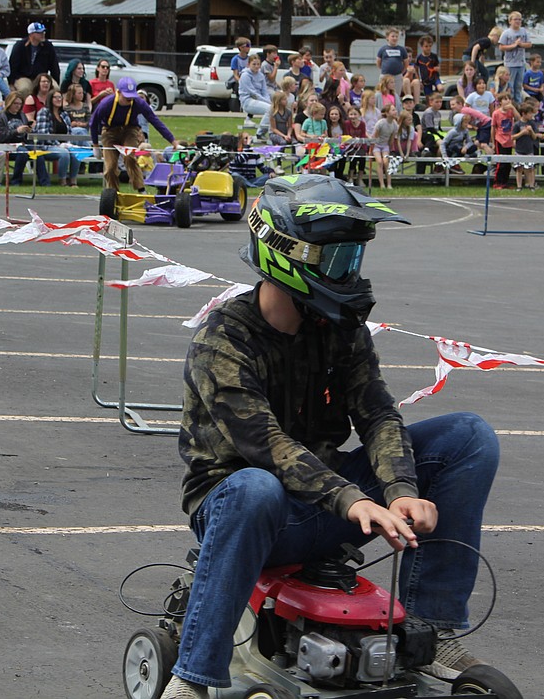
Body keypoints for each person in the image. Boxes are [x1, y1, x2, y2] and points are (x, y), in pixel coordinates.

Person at [160, 174, 500, 699]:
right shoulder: (224, 337)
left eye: (353, 259)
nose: (350, 274)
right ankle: (192, 679)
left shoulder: (340, 330)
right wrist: (354, 498)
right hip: (245, 510)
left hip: (328, 503)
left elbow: (379, 414)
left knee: (468, 437)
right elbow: (265, 446)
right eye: (337, 260)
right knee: (256, 486)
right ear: (285, 254)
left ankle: (433, 634)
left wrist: (401, 490)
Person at [90, 77, 180, 191]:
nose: (129, 99)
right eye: (126, 96)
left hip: (130, 130)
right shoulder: (106, 103)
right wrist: (95, 145)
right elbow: (93, 123)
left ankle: (140, 189)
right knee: (111, 166)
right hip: (110, 132)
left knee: (129, 157)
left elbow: (155, 121)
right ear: (118, 92)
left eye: (131, 96)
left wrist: (173, 141)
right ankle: (112, 193)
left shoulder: (138, 103)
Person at [33, 88, 80, 186]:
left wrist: (68, 144)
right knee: (64, 154)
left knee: (77, 153)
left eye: (60, 97)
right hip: (47, 146)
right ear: (50, 99)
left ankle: (73, 181)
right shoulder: (44, 112)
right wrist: (58, 145)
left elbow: (69, 133)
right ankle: (62, 180)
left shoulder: (64, 114)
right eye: (56, 97)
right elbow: (43, 134)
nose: (59, 99)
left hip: (64, 145)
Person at [0, 92, 34, 185]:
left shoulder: (22, 115)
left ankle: (45, 182)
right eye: (15, 103)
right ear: (9, 103)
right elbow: (0, 137)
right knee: (23, 153)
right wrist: (16, 131)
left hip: (22, 144)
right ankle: (16, 181)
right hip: (6, 146)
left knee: (37, 152)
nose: (18, 106)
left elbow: (26, 135)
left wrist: (28, 131)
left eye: (20, 104)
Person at [8, 22, 60, 93]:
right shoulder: (20, 46)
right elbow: (12, 65)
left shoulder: (48, 46)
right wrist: (11, 82)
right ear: (31, 34)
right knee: (25, 88)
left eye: (43, 32)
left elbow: (54, 66)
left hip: (41, 76)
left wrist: (56, 81)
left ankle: (47, 104)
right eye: (39, 33)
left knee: (55, 88)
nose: (43, 34)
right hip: (23, 76)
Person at [498, 12, 532, 105]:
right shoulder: (506, 33)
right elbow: (501, 47)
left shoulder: (524, 31)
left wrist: (521, 44)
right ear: (510, 21)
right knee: (510, 86)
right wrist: (513, 45)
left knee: (518, 86)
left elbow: (529, 44)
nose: (518, 21)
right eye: (515, 19)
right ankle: (509, 103)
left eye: (519, 19)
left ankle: (518, 104)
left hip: (521, 63)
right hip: (510, 64)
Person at [238, 54, 272, 136]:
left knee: (273, 108)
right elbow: (253, 93)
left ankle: (264, 132)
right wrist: (268, 103)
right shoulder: (245, 75)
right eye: (254, 64)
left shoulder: (261, 75)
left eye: (258, 64)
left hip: (259, 99)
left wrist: (268, 100)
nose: (256, 66)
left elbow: (264, 91)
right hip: (248, 101)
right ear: (248, 64)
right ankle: (259, 133)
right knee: (270, 109)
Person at [491, 92, 517, 188]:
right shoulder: (496, 113)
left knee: (507, 164)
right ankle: (497, 182)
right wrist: (493, 142)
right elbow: (493, 128)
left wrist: (513, 108)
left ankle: (505, 182)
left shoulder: (511, 112)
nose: (507, 101)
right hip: (500, 140)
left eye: (509, 99)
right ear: (500, 102)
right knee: (501, 163)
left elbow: (518, 118)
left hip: (509, 140)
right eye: (505, 99)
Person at [371, 103, 400, 190]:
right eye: (393, 110)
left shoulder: (394, 124)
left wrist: (390, 149)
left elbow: (391, 138)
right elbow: (374, 136)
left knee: (386, 162)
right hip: (377, 145)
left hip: (385, 146)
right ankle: (382, 184)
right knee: (379, 162)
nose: (395, 112)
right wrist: (371, 149)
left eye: (395, 110)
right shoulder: (381, 123)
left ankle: (389, 184)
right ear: (387, 113)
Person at [513, 102, 541, 190]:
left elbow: (534, 137)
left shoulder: (532, 124)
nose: (531, 115)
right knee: (519, 169)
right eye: (529, 113)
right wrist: (522, 133)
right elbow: (513, 136)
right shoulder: (517, 124)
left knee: (531, 168)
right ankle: (519, 186)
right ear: (523, 114)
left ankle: (531, 185)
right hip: (519, 150)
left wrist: (531, 131)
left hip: (529, 149)